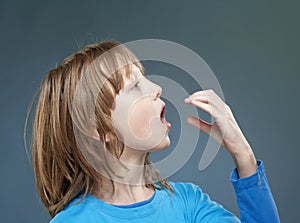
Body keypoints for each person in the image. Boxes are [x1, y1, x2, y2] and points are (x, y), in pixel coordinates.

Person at [29, 40, 280, 222]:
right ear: (98, 128)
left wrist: (243, 156)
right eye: (135, 86)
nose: (157, 87)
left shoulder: (188, 203)